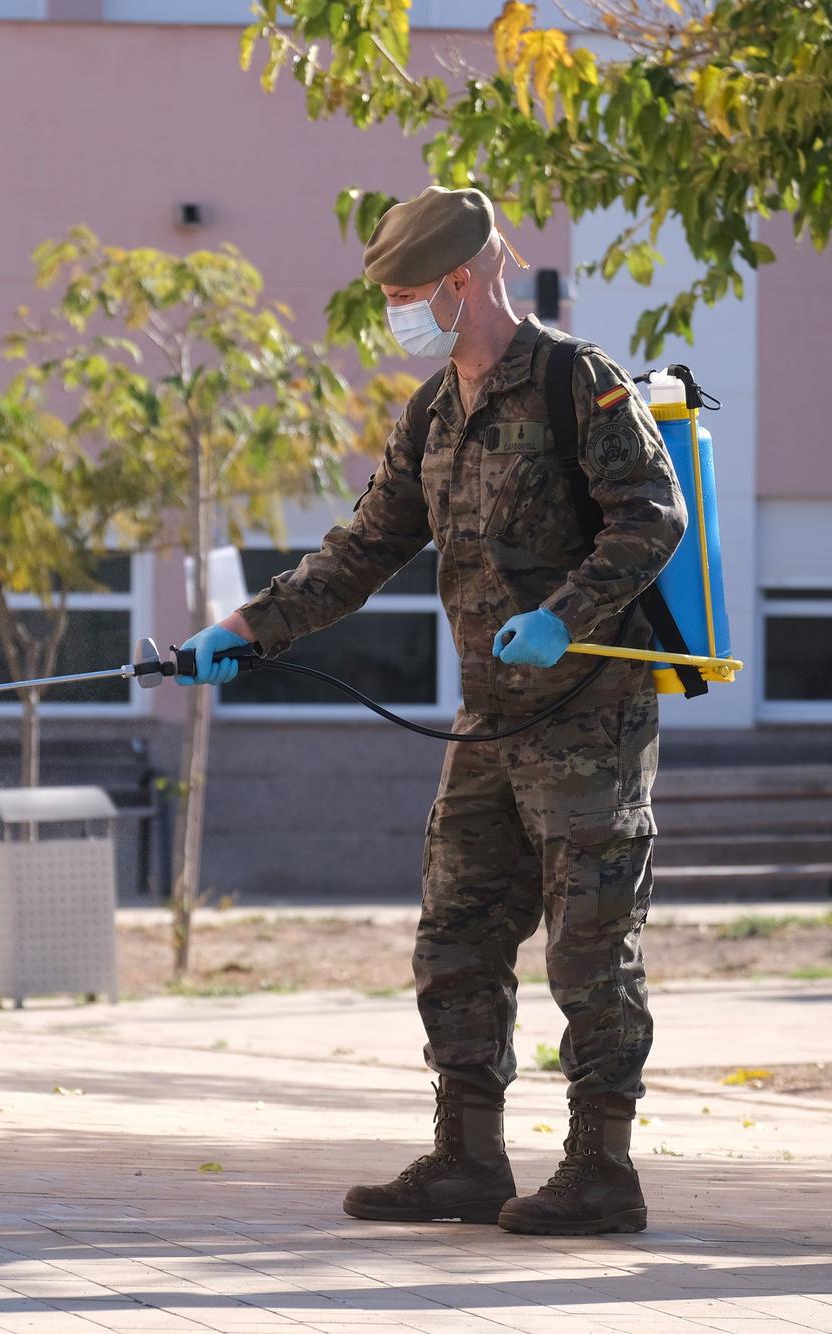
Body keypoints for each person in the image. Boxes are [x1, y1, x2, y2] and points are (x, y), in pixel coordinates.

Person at [176, 186, 686, 1236]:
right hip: (488, 721)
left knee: (588, 945)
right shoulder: (432, 411)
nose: (395, 312)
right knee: (454, 931)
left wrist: (563, 612)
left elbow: (651, 514)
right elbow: (362, 548)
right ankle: (466, 1153)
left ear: (463, 279)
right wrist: (244, 627)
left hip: (587, 714)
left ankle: (601, 1167)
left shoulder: (569, 380)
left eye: (407, 292)